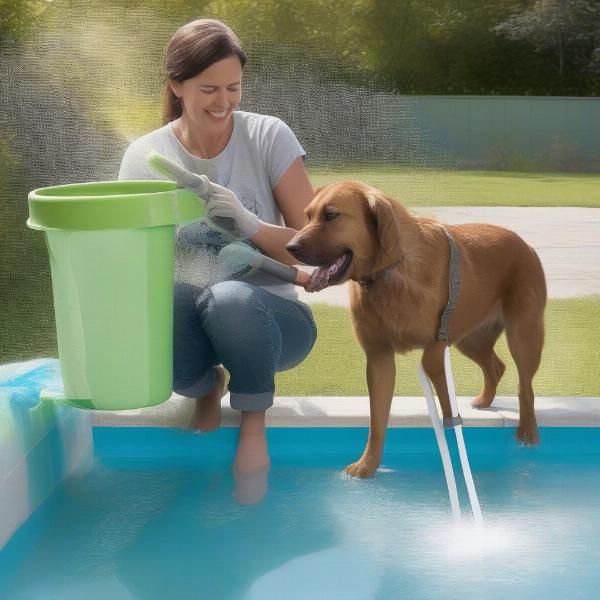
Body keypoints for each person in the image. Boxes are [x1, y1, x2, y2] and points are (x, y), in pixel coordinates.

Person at [118, 18, 317, 492]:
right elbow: (135, 270)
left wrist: (250, 225)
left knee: (229, 297)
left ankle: (253, 421)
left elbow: (314, 252)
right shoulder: (146, 158)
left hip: (275, 322)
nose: (223, 102)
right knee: (172, 298)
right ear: (176, 85)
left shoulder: (269, 137)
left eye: (234, 87)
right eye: (209, 88)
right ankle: (204, 387)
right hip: (193, 319)